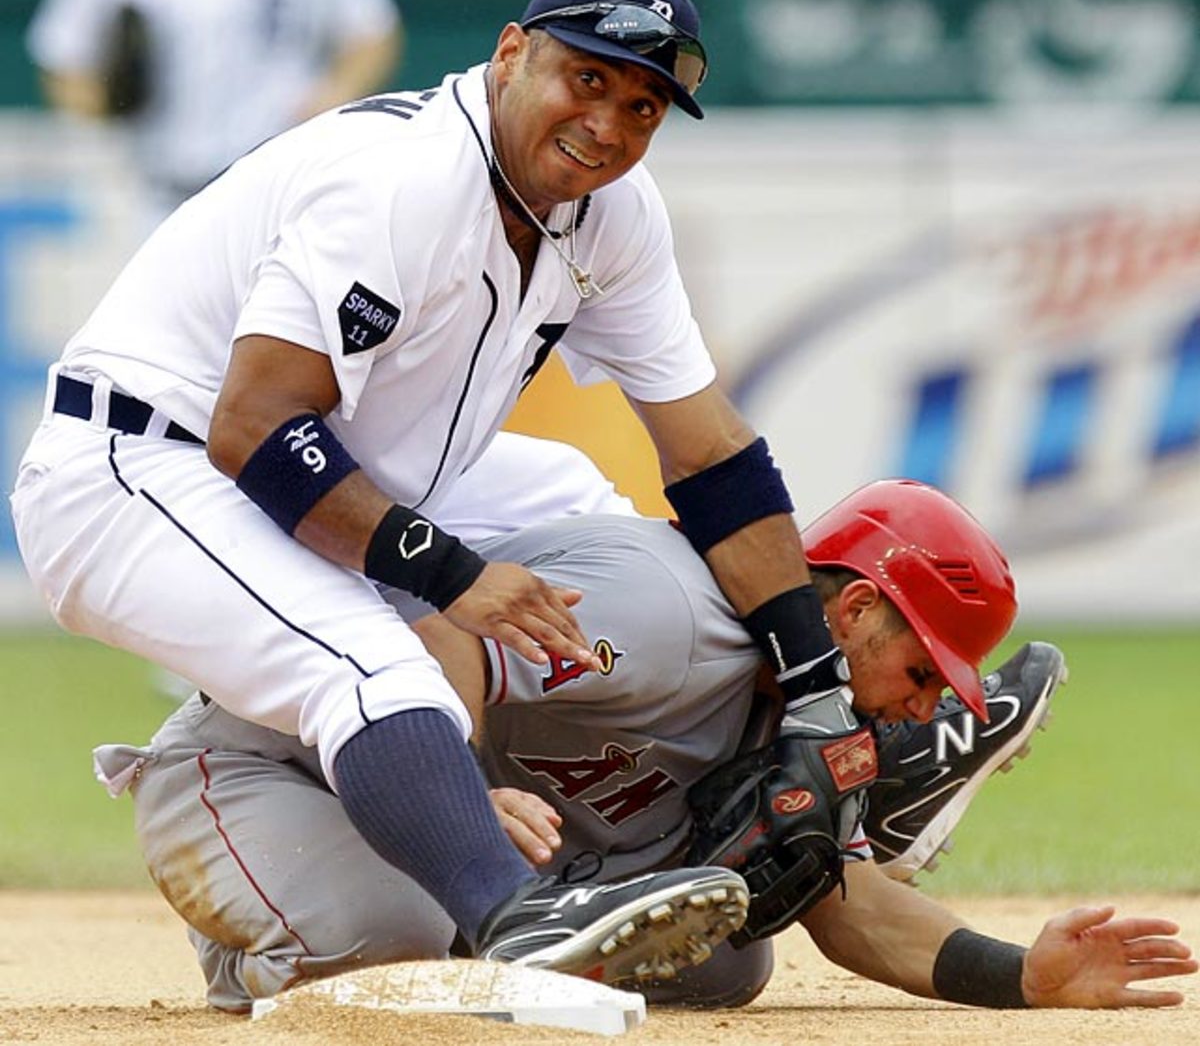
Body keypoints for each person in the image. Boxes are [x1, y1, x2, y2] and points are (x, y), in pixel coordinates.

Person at [11, 0, 859, 993]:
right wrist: (455, 574)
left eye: (643, 104)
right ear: (511, 53)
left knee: (589, 508)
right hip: (141, 463)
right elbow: (257, 425)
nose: (609, 122)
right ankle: (516, 915)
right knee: (374, 667)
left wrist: (819, 682)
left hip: (349, 455)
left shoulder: (614, 214)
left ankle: (556, 798)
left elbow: (711, 454)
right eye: (586, 79)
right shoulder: (404, 180)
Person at [91, 471, 1195, 1012]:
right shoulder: (669, 616)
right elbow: (438, 641)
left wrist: (1024, 977)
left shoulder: (802, 706)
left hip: (443, 827)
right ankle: (249, 957)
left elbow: (842, 898)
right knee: (401, 932)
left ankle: (457, 914)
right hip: (261, 770)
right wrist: (462, 793)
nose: (920, 706)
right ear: (856, 607)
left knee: (727, 946)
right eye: (922, 671)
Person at [26, 0, 404, 222]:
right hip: (155, 194)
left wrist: (333, 93)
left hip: (279, 194)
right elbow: (64, 62)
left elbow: (374, 33)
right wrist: (105, 104)